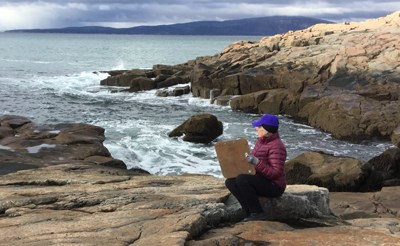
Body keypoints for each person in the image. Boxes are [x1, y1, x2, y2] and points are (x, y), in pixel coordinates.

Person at [225, 114, 287, 221]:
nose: (256, 128)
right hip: (262, 179)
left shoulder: (277, 146)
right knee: (230, 181)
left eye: (259, 127)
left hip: (275, 186)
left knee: (242, 179)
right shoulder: (261, 141)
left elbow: (275, 173)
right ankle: (247, 211)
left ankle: (258, 212)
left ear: (266, 130)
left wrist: (256, 162)